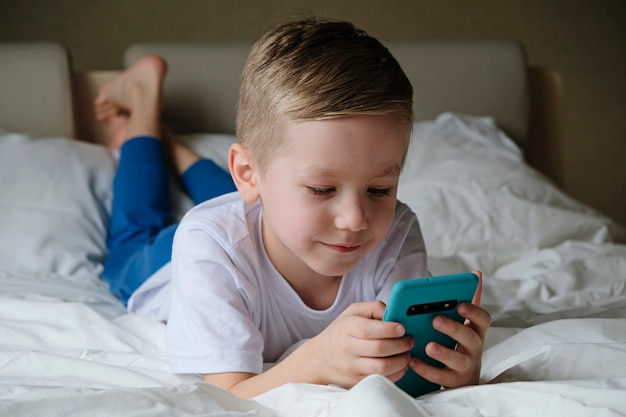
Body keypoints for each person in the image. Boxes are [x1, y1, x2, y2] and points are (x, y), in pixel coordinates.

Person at [98, 18, 491, 399]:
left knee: (255, 198)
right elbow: (228, 395)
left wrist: (456, 369)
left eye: (379, 189)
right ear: (248, 173)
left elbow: (399, 358)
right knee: (134, 235)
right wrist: (316, 359)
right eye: (322, 189)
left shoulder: (395, 230)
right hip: (167, 262)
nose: (355, 220)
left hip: (267, 217)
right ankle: (143, 108)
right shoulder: (208, 243)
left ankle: (175, 147)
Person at [95, 55, 237, 309]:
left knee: (244, 206)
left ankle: (146, 119)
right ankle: (143, 112)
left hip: (216, 246)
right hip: (212, 251)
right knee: (248, 208)